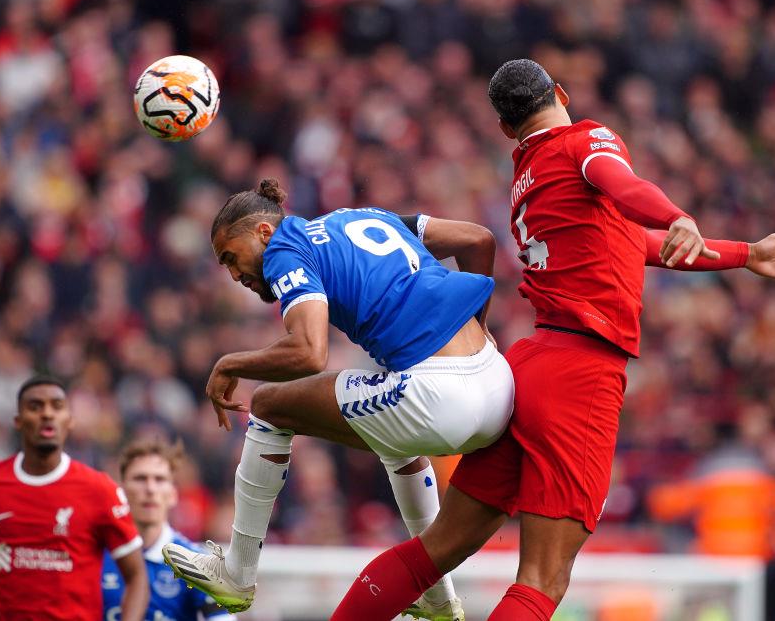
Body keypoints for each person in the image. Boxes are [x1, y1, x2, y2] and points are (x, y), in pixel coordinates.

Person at [330, 58, 775, 620]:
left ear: (506, 129)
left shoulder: (528, 179)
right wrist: (678, 213)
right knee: (544, 580)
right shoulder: (585, 139)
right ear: (560, 92)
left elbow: (639, 242)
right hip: (581, 373)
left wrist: (747, 254)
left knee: (435, 551)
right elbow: (625, 185)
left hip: (530, 365)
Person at [161, 180, 514, 621]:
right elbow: (478, 239)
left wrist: (230, 364)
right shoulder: (363, 216)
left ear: (264, 233)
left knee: (269, 406)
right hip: (497, 385)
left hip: (439, 395)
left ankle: (236, 573)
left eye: (231, 258)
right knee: (390, 434)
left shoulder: (285, 251)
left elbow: (310, 352)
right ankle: (440, 600)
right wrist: (473, 330)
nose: (234, 275)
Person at [0, 375, 149, 621]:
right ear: (18, 420)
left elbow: (136, 577)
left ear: (69, 421)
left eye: (57, 406)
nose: (47, 414)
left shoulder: (99, 490)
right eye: (35, 406)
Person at [102, 438, 235, 621]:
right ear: (121, 491)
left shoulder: (199, 564)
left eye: (159, 479)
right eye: (140, 479)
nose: (150, 489)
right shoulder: (96, 555)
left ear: (173, 494)